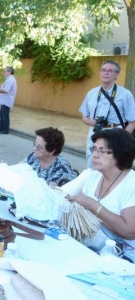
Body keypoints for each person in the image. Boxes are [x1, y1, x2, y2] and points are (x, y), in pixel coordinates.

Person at [65, 128, 135, 262]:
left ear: (121, 153)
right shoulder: (95, 176)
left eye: (102, 151)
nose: (95, 155)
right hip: (91, 243)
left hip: (122, 255)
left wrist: (94, 206)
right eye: (94, 149)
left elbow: (129, 232)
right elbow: (79, 206)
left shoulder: (131, 184)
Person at [79, 60, 135, 169]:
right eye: (103, 70)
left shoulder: (125, 94)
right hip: (95, 131)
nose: (106, 73)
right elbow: (84, 116)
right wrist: (88, 121)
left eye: (110, 71)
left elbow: (133, 122)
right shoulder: (92, 93)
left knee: (112, 165)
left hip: (115, 132)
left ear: (117, 75)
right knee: (92, 162)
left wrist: (122, 137)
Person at [0, 67, 17, 135]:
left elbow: (6, 90)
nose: (4, 73)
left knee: (5, 116)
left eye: (5, 71)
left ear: (9, 72)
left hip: (7, 101)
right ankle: (0, 128)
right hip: (4, 100)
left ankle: (5, 130)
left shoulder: (11, 80)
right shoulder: (8, 79)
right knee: (1, 115)